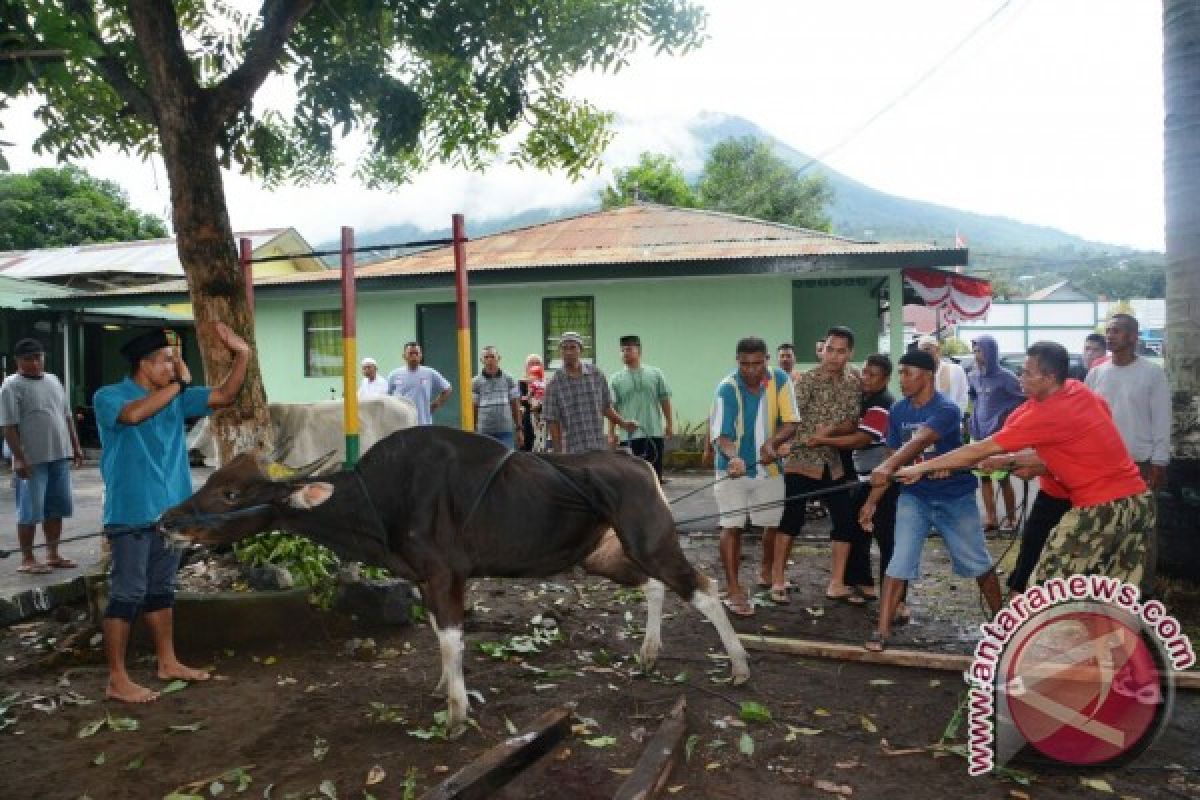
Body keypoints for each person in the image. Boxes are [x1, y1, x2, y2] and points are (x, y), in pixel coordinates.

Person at [894, 341, 1152, 590]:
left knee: (1048, 588)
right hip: (1137, 502)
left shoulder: (1048, 412)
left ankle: (1040, 634)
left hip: (1101, 508)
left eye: (1027, 373)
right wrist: (1005, 461)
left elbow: (979, 449)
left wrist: (919, 468)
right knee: (1113, 593)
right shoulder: (1077, 390)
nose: (1020, 378)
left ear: (1049, 377)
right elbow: (1084, 450)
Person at [94, 323, 250, 703]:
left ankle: (168, 662)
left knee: (161, 590)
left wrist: (242, 354)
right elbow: (133, 416)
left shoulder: (175, 396)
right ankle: (117, 678)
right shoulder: (109, 396)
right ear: (145, 365)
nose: (175, 367)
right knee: (127, 594)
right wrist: (177, 386)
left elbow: (226, 394)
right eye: (168, 361)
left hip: (172, 513)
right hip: (130, 512)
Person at [859, 349, 1002, 652]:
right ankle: (881, 630)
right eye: (900, 372)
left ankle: (1004, 626)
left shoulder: (946, 409)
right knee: (899, 561)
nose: (902, 379)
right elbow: (892, 459)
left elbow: (921, 439)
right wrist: (872, 500)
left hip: (955, 497)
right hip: (915, 497)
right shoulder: (898, 410)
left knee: (977, 562)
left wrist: (888, 467)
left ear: (927, 375)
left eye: (907, 372)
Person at [807, 353, 908, 623]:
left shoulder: (883, 404)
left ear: (886, 379)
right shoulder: (866, 399)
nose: (866, 379)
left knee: (886, 537)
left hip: (884, 480)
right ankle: (864, 584)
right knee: (857, 530)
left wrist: (823, 440)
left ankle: (897, 599)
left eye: (873, 375)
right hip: (864, 477)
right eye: (864, 373)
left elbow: (861, 439)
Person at [710, 337, 799, 617]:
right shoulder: (727, 388)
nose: (751, 370)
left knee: (771, 525)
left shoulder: (780, 380)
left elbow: (792, 422)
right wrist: (732, 457)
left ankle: (766, 570)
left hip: (769, 468)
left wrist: (773, 444)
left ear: (767, 360)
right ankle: (734, 589)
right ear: (737, 361)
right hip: (732, 471)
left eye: (757, 364)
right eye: (745, 364)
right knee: (731, 526)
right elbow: (721, 435)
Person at [780, 326, 862, 605]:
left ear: (850, 353)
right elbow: (792, 421)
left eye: (841, 351)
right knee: (791, 518)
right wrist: (780, 443)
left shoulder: (854, 382)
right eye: (830, 350)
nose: (834, 356)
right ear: (822, 350)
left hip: (833, 461)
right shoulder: (806, 381)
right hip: (801, 460)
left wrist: (830, 432)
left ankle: (836, 583)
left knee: (844, 520)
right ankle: (778, 580)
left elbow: (853, 422)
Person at [0, 338, 84, 574]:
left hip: (59, 454)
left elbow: (66, 416)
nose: (35, 363)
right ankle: (27, 558)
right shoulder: (11, 386)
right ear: (18, 361)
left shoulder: (54, 380)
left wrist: (75, 447)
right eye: (29, 359)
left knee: (56, 507)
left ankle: (53, 554)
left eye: (39, 357)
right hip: (31, 458)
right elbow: (8, 426)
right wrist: (18, 458)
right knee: (30, 510)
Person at [1085, 314, 1170, 492]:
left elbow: (1161, 420)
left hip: (1139, 463)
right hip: (1101, 462)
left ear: (1133, 336)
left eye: (1116, 331)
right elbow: (1086, 418)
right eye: (1108, 331)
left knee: (1136, 518)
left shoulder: (1152, 373)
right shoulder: (1096, 373)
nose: (1109, 336)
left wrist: (1159, 461)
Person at [967, 335, 1025, 533]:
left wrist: (1006, 420)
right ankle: (990, 518)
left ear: (990, 352)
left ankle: (1011, 518)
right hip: (978, 432)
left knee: (1003, 477)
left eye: (980, 350)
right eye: (974, 351)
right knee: (983, 477)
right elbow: (973, 397)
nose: (976, 355)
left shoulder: (1006, 377)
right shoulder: (974, 376)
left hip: (998, 436)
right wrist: (971, 421)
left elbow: (1022, 400)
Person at [543, 332, 633, 454]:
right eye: (564, 348)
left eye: (573, 347)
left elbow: (606, 407)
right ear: (560, 352)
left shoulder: (596, 375)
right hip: (572, 451)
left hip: (597, 446)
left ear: (581, 350)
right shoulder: (553, 384)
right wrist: (559, 453)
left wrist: (623, 423)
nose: (568, 352)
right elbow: (552, 422)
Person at [608, 335, 673, 480]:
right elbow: (612, 408)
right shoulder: (615, 379)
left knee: (654, 478)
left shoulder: (655, 374)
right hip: (629, 437)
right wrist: (612, 433)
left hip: (653, 433)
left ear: (639, 352)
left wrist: (669, 424)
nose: (625, 353)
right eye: (622, 350)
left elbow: (665, 399)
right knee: (632, 480)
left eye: (629, 349)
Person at [387, 342, 452, 425]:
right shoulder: (394, 375)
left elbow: (448, 389)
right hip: (401, 423)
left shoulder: (429, 373)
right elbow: (387, 397)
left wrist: (436, 404)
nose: (414, 356)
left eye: (416, 353)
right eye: (411, 353)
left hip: (423, 422)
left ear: (421, 356)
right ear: (404, 356)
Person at [471, 346, 522, 449]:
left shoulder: (509, 379)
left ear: (499, 358)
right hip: (484, 432)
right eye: (486, 357)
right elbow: (474, 407)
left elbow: (515, 405)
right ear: (481, 360)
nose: (489, 360)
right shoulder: (475, 382)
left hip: (505, 431)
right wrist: (473, 429)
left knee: (506, 460)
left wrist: (519, 429)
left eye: (492, 356)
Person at [917, 335, 969, 414]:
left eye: (927, 349)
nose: (924, 353)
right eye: (921, 351)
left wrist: (955, 417)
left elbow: (963, 397)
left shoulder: (956, 370)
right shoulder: (918, 375)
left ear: (938, 350)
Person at [519, 354, 546, 452]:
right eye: (531, 363)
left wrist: (541, 404)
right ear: (526, 367)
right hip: (527, 418)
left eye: (537, 363)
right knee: (529, 445)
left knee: (543, 445)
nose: (535, 365)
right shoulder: (522, 382)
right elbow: (520, 400)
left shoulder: (547, 382)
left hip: (544, 417)